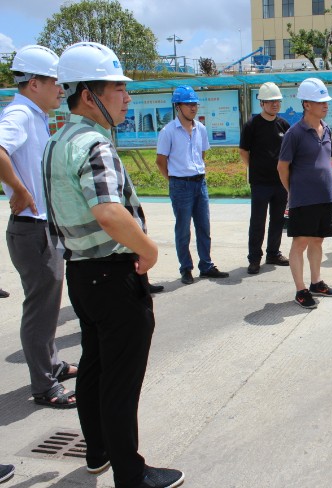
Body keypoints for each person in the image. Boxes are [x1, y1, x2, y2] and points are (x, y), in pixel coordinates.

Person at [42, 41, 184, 488]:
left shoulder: (56, 141)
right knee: (121, 380)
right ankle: (131, 473)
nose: (127, 97)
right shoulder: (93, 144)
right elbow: (108, 211)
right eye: (118, 88)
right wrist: (149, 249)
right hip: (113, 274)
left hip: (82, 273)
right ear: (89, 95)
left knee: (95, 366)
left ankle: (98, 451)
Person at [0, 44, 77, 409]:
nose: (61, 90)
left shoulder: (35, 115)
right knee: (39, 310)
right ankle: (44, 387)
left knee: (48, 306)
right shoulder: (20, 114)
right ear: (34, 83)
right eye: (55, 82)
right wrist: (18, 189)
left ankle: (53, 364)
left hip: (41, 225)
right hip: (31, 228)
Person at [156, 85, 229, 285]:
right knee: (183, 230)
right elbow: (161, 161)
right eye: (188, 104)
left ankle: (206, 266)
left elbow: (201, 155)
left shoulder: (201, 129)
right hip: (180, 185)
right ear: (177, 106)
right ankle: (186, 268)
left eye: (195, 104)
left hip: (199, 182)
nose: (193, 108)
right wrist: (174, 180)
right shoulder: (168, 131)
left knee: (204, 227)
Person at [277, 78, 332, 309]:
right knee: (300, 242)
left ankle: (316, 283)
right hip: (303, 199)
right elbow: (282, 167)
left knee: (318, 240)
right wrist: (292, 192)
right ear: (306, 104)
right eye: (320, 101)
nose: (325, 105)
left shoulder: (327, 129)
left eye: (326, 101)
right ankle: (300, 289)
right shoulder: (294, 133)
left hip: (324, 196)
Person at [239, 82, 290, 274]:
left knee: (278, 220)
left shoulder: (284, 125)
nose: (275, 104)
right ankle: (254, 258)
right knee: (258, 222)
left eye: (277, 101)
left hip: (280, 182)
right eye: (270, 101)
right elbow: (244, 151)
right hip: (260, 183)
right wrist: (256, 168)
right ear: (261, 103)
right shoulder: (252, 125)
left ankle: (273, 253)